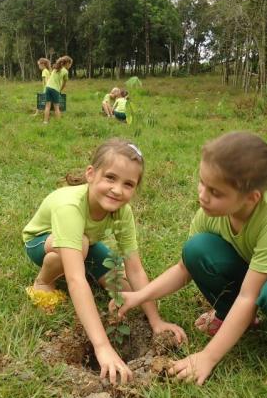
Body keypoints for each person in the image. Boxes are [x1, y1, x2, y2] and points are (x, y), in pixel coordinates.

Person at [114, 131, 267, 384]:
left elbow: (249, 295)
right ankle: (232, 315)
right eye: (202, 182)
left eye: (216, 192)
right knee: (196, 249)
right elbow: (183, 268)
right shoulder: (211, 211)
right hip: (259, 271)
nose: (203, 195)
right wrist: (139, 296)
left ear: (251, 197)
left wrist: (207, 357)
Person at [22, 138, 187, 384]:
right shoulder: (70, 207)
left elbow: (135, 268)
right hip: (42, 243)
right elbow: (77, 281)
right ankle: (44, 282)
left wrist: (156, 320)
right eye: (110, 178)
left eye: (128, 184)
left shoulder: (122, 211)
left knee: (126, 290)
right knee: (82, 246)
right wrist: (102, 347)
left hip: (84, 243)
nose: (118, 190)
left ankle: (89, 267)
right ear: (91, 174)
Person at [43, 56, 72, 124]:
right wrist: (59, 90)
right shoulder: (65, 72)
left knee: (47, 106)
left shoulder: (56, 68)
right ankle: (58, 123)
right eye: (70, 64)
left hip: (47, 87)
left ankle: (45, 122)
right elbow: (64, 84)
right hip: (55, 89)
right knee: (56, 107)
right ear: (67, 63)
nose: (70, 66)